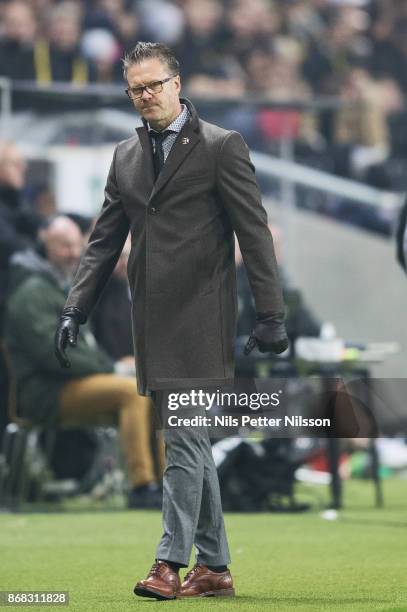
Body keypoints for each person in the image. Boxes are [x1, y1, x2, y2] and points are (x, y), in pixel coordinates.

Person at [54, 41, 288, 600]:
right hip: (150, 324)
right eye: (136, 88)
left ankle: (168, 563)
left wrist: (272, 313)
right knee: (190, 443)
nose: (147, 96)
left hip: (201, 320)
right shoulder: (126, 156)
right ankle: (215, 567)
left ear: (178, 83)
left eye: (155, 84)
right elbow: (103, 240)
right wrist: (74, 307)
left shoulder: (222, 146)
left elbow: (254, 234)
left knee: (182, 441)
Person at [5, 216, 163, 509]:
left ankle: (169, 485)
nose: (74, 253)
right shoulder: (30, 293)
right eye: (65, 246)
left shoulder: (63, 287)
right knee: (130, 391)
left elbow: (84, 349)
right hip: (46, 393)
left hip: (75, 384)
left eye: (77, 245)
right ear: (45, 246)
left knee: (156, 393)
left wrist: (112, 367)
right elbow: (53, 355)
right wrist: (111, 368)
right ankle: (142, 486)